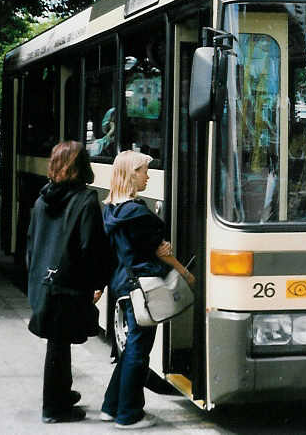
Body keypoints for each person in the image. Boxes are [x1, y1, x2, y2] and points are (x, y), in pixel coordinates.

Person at [101, 150, 194, 429]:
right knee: (139, 350)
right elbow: (161, 251)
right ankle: (128, 415)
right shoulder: (139, 213)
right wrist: (185, 273)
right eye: (143, 170)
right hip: (145, 287)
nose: (148, 175)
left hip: (124, 284)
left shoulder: (112, 209)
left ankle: (111, 405)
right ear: (131, 174)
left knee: (131, 348)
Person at [26, 141, 111, 424]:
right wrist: (98, 283)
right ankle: (54, 407)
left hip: (44, 281)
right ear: (81, 166)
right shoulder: (85, 201)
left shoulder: (41, 199)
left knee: (57, 342)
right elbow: (91, 247)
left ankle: (62, 394)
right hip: (70, 284)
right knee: (59, 346)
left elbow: (31, 243)